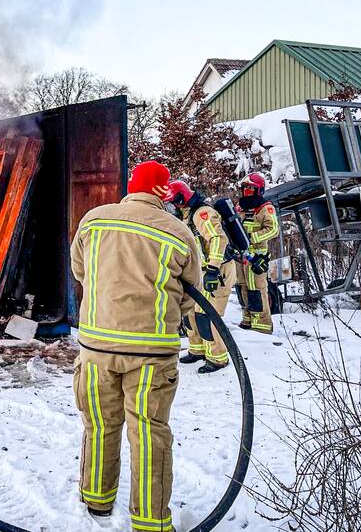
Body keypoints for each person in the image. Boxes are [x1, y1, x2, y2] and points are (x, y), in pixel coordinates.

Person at [70, 161, 201, 532]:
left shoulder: (94, 220)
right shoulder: (178, 232)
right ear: (164, 192)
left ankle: (96, 500)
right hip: (151, 355)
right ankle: (150, 521)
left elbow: (80, 271)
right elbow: (192, 295)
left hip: (96, 350)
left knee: (99, 424)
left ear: (132, 185)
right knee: (148, 431)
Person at [168, 180, 235, 374]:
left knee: (208, 315)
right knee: (191, 312)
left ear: (181, 199)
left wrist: (213, 269)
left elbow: (218, 239)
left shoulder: (202, 213)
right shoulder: (186, 216)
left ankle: (217, 358)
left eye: (173, 202)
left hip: (218, 271)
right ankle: (197, 350)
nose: (171, 206)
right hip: (201, 272)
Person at [234, 172, 278, 333]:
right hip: (240, 255)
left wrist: (251, 238)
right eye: (245, 188)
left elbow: (273, 229)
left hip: (256, 256)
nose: (247, 192)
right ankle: (247, 318)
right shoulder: (239, 207)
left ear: (258, 190)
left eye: (250, 189)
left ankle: (262, 325)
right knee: (241, 287)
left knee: (256, 288)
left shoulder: (265, 208)